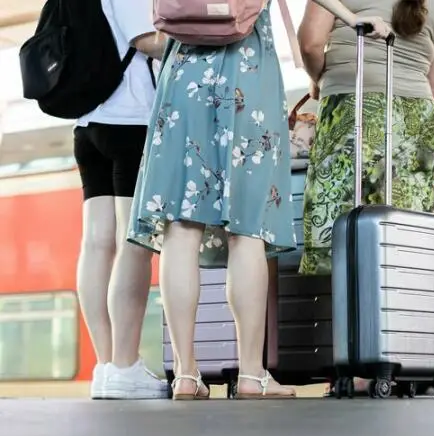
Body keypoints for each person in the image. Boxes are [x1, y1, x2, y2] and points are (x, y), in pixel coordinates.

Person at [127, 0, 392, 400]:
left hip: (183, 74)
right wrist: (352, 17)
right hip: (247, 72)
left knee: (180, 229)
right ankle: (252, 374)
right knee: (248, 228)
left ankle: (185, 373)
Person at [297, 0, 434, 276]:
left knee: (336, 220)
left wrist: (319, 79)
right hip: (415, 116)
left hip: (352, 101)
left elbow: (310, 44)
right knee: (407, 225)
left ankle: (339, 309)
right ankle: (400, 304)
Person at [74, 0, 169, 399]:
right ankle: (125, 365)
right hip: (130, 121)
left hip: (87, 121)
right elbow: (147, 41)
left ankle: (107, 365)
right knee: (135, 243)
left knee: (97, 243)